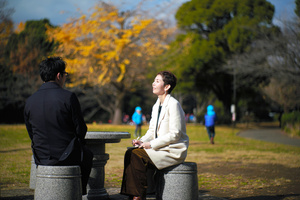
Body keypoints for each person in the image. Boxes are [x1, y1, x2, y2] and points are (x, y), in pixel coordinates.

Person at [24, 57, 93, 195]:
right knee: (88, 154)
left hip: (40, 156)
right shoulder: (68, 97)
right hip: (67, 156)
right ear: (58, 75)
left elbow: (31, 132)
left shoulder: (30, 101)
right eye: (65, 74)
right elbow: (81, 129)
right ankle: (77, 192)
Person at [120, 71, 189, 200]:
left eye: (157, 81)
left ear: (167, 87)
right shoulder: (156, 105)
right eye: (154, 80)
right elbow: (152, 131)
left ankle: (139, 196)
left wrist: (150, 144)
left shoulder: (173, 104)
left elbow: (175, 134)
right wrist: (141, 141)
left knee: (136, 155)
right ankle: (133, 194)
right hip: (159, 148)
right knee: (130, 152)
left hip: (172, 150)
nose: (153, 83)